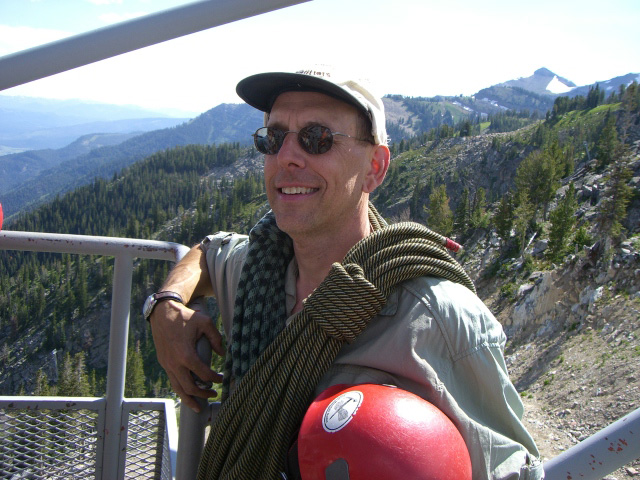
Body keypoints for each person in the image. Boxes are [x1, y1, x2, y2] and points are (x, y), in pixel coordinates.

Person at [146, 66, 544, 479]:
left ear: (375, 167)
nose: (286, 156)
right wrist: (165, 304)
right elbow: (208, 252)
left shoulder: (439, 320)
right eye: (274, 138)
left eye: (317, 138)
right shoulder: (257, 270)